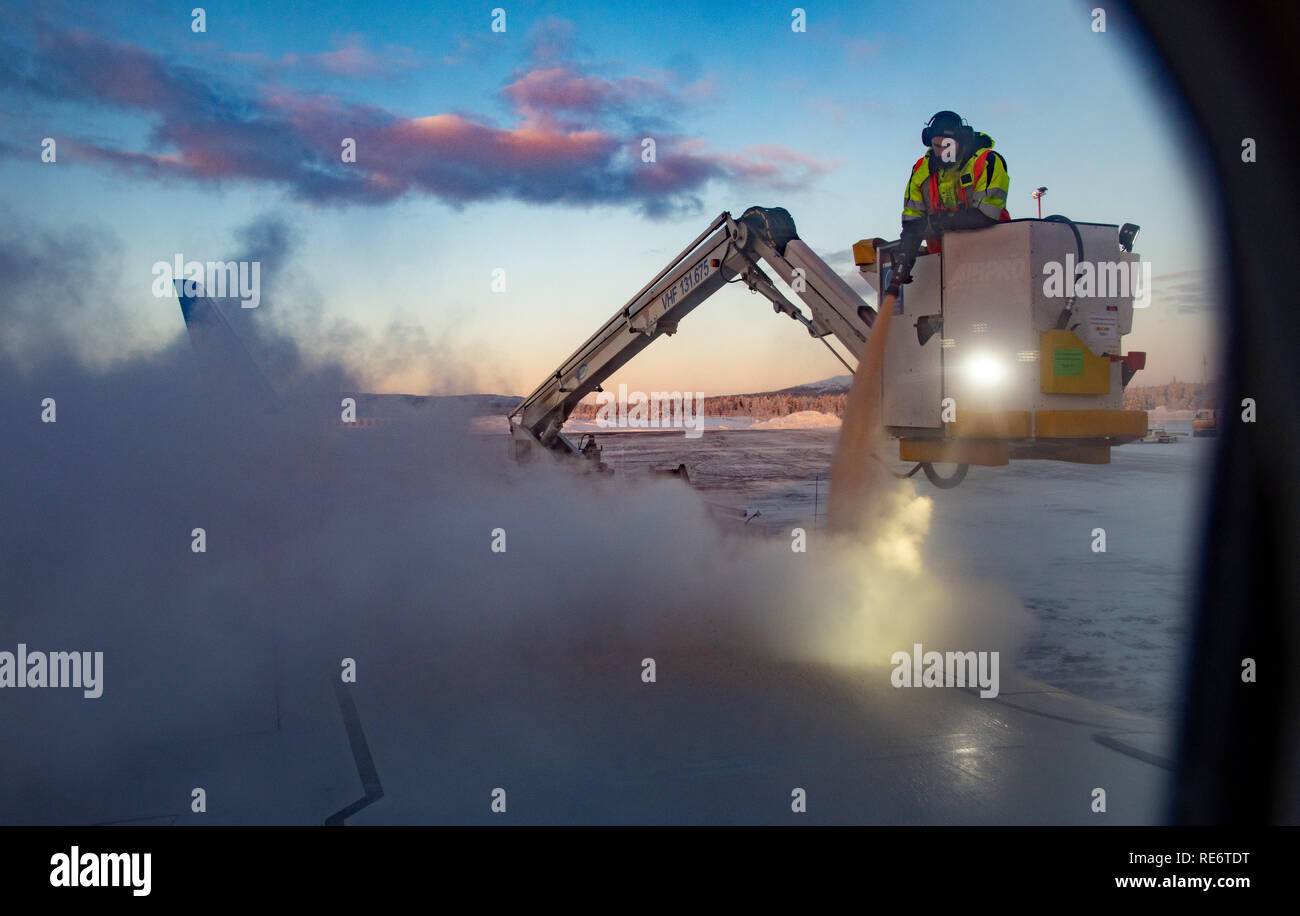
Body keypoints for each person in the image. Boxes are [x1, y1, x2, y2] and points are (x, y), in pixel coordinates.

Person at [895, 110, 1010, 282]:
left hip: (995, 262)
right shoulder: (920, 171)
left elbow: (986, 214)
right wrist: (905, 255)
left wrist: (936, 223)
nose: (942, 152)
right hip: (945, 267)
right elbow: (912, 223)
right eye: (936, 146)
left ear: (960, 140)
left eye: (947, 146)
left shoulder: (987, 162)